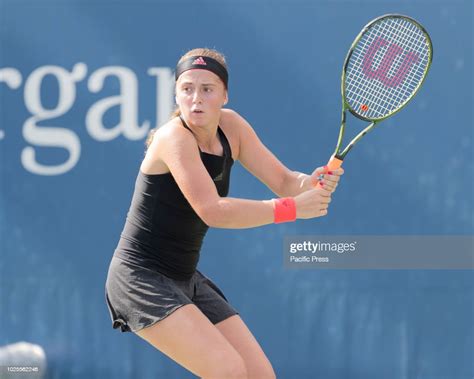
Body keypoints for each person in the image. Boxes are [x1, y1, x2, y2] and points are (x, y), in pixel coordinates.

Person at [105, 47, 344, 379]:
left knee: (260, 374)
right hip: (141, 278)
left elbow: (284, 180)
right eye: (187, 89)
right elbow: (212, 211)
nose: (196, 98)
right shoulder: (173, 138)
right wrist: (292, 209)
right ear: (176, 94)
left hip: (184, 277)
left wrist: (311, 182)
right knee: (227, 370)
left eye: (207, 89)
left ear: (224, 95)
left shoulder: (232, 127)